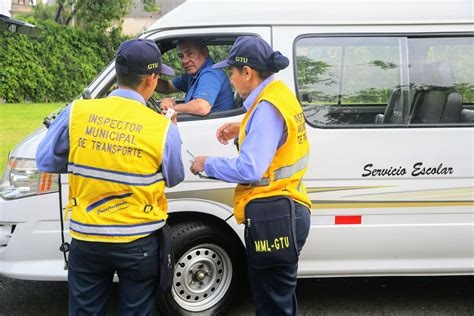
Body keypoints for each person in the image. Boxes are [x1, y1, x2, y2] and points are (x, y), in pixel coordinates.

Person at [36, 39, 185, 315]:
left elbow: (45, 159)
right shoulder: (161, 128)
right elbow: (174, 177)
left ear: (117, 73)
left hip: (87, 236)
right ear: (152, 79)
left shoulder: (78, 111)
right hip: (139, 240)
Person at [190, 36, 312, 316]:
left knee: (271, 304)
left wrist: (208, 164)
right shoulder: (276, 95)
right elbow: (272, 139)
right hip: (283, 209)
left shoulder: (267, 108)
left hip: (276, 214)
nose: (230, 79)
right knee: (275, 299)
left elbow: (251, 169)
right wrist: (241, 127)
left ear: (248, 72)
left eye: (231, 72)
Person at [156, 38, 234, 116]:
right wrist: (148, 79)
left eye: (190, 54)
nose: (184, 61)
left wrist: (170, 108)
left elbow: (202, 107)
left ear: (205, 52)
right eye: (181, 56)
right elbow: (168, 87)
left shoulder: (211, 74)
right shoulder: (193, 74)